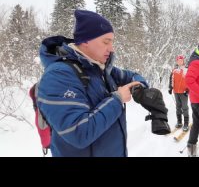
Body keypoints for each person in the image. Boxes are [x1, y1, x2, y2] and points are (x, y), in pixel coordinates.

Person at [36, 10, 149, 157]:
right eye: (106, 42)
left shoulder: (99, 68)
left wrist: (141, 88)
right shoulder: (59, 75)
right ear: (85, 41)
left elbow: (132, 76)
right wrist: (117, 99)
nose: (111, 48)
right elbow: (78, 132)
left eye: (112, 42)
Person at [168, 55, 189, 131]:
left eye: (181, 60)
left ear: (183, 61)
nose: (180, 62)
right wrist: (170, 87)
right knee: (178, 107)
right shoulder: (174, 70)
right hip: (176, 92)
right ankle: (179, 122)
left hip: (184, 92)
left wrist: (188, 90)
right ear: (177, 61)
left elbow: (190, 81)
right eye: (178, 60)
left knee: (185, 107)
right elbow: (171, 79)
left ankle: (186, 123)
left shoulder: (187, 70)